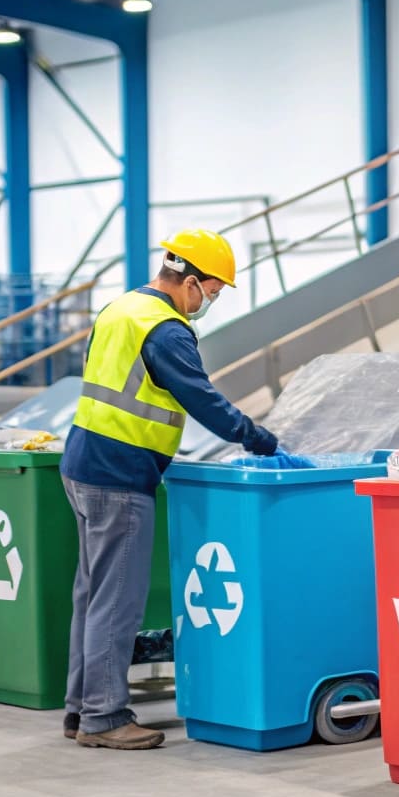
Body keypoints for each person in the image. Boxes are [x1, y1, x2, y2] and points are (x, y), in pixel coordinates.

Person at [60, 229, 280, 749]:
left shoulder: (120, 308)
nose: (212, 300)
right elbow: (200, 398)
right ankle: (105, 718)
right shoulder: (167, 330)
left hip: (82, 465)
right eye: (214, 290)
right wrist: (256, 437)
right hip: (120, 475)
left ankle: (80, 710)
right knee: (115, 603)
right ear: (190, 283)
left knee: (91, 597)